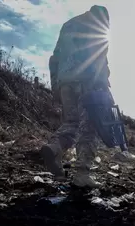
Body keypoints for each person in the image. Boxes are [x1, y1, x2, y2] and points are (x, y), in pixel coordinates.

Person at [41, 5, 112, 188]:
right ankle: (82, 174)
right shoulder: (97, 26)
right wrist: (102, 83)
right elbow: (98, 57)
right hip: (87, 82)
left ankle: (55, 148)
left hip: (65, 81)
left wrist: (55, 85)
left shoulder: (68, 25)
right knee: (90, 126)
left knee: (71, 123)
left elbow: (54, 58)